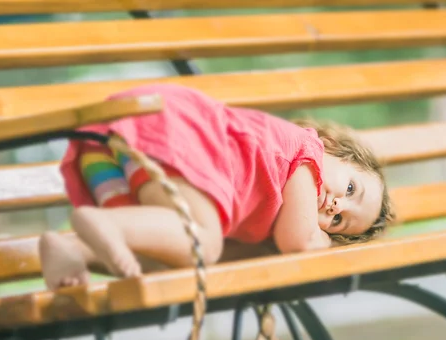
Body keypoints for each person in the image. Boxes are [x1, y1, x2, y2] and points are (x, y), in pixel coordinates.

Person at [39, 83, 395, 289]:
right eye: (350, 190)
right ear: (333, 147)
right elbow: (298, 242)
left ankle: (74, 250)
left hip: (113, 147)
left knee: (172, 259)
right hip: (164, 125)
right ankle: (104, 225)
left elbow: (253, 250)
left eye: (339, 222)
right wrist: (323, 241)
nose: (335, 207)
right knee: (202, 242)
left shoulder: (265, 209)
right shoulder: (305, 158)